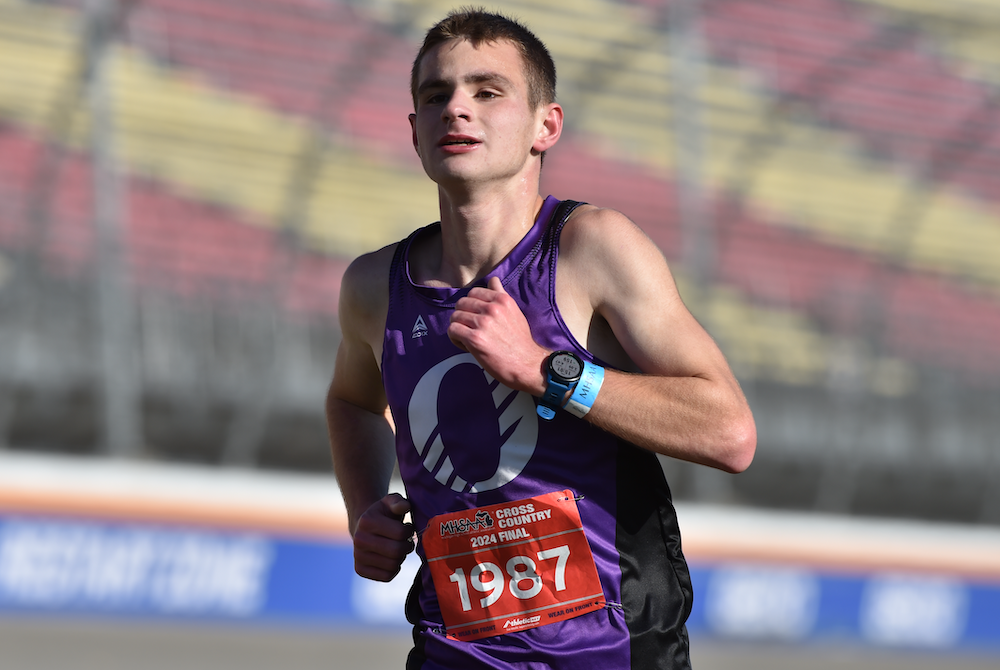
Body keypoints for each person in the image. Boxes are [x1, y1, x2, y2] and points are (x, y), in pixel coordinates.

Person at [326, 8, 756, 669]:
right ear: (414, 132)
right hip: (454, 652)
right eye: (435, 96)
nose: (457, 110)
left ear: (544, 126)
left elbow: (729, 432)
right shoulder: (374, 287)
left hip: (611, 651)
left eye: (487, 91)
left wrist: (547, 370)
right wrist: (363, 512)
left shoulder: (591, 249)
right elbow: (354, 401)